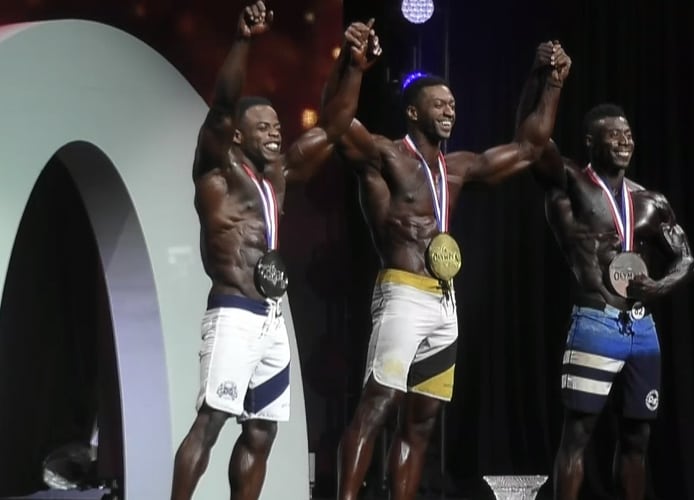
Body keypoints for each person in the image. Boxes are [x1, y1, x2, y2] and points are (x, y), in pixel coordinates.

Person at [317, 23, 572, 500]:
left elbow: (529, 149)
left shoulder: (457, 169)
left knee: (422, 422)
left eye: (453, 104)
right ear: (413, 112)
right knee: (378, 405)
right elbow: (334, 123)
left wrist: (550, 83)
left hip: (444, 302)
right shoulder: (385, 156)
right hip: (401, 293)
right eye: (439, 104)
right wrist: (352, 66)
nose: (450, 110)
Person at [169, 3, 359, 499]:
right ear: (237, 135)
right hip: (234, 311)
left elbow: (334, 128)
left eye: (278, 125)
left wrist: (355, 67)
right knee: (211, 421)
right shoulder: (216, 170)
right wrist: (243, 40)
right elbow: (222, 105)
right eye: (264, 126)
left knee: (261, 431)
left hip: (272, 319)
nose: (276, 131)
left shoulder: (279, 177)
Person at [530, 102, 694, 499]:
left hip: (642, 329)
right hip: (595, 321)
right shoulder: (571, 185)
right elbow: (534, 143)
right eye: (614, 135)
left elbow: (686, 259)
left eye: (628, 135)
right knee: (578, 435)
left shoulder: (651, 201)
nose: (624, 141)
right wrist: (548, 85)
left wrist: (659, 286)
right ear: (591, 141)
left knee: (638, 438)